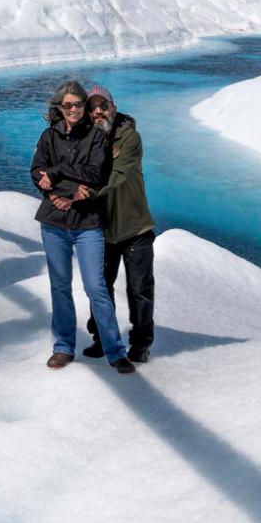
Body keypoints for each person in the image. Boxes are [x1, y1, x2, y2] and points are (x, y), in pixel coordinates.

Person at [30, 80, 136, 375]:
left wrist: (58, 173)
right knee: (60, 287)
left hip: (88, 223)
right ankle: (63, 347)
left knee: (96, 287)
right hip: (54, 222)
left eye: (79, 104)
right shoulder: (48, 136)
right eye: (68, 105)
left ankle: (115, 351)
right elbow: (36, 172)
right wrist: (54, 195)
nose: (74, 109)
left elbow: (95, 174)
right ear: (60, 108)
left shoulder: (97, 138)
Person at [82, 83, 157, 363]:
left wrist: (84, 190)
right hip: (100, 230)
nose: (98, 111)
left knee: (139, 289)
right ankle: (102, 339)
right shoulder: (83, 139)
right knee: (99, 288)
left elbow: (117, 174)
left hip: (135, 229)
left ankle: (141, 343)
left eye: (103, 106)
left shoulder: (130, 137)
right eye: (92, 107)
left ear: (113, 108)